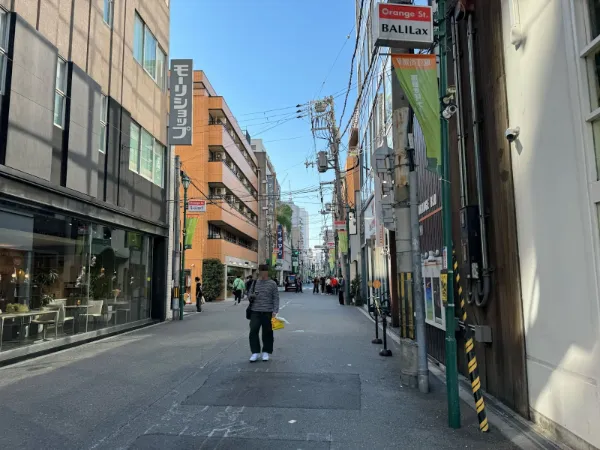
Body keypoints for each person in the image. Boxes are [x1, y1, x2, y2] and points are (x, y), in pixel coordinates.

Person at [248, 264, 279, 362]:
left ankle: (266, 351)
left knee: (268, 332)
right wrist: (252, 296)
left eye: (264, 271)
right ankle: (255, 352)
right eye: (261, 271)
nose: (262, 273)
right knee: (253, 330)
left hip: (268, 312)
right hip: (255, 311)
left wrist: (275, 311)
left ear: (267, 272)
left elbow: (276, 298)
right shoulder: (255, 282)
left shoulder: (272, 284)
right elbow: (249, 294)